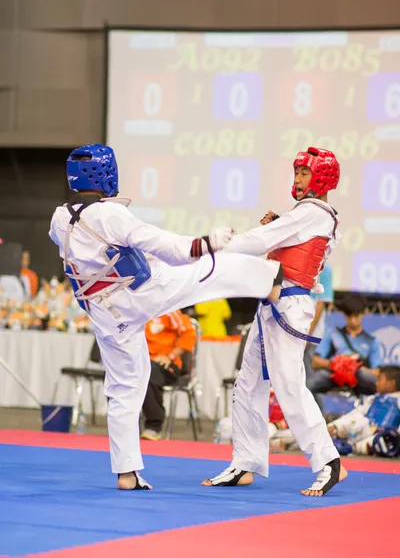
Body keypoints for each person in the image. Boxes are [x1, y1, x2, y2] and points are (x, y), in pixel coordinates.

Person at [49, 144, 282, 491]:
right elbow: (168, 246)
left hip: (103, 312)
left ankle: (126, 473)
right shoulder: (111, 215)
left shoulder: (59, 218)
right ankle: (274, 284)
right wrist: (207, 242)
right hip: (137, 294)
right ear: (107, 173)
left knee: (125, 387)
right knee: (207, 270)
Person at [202, 146, 347, 497]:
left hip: (290, 305)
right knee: (247, 382)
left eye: (304, 174)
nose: (297, 180)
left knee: (288, 385)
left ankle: (329, 462)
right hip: (271, 304)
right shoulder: (304, 215)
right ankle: (245, 462)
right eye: (296, 173)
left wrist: (218, 245)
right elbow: (280, 243)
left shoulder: (314, 212)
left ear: (322, 178)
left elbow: (262, 240)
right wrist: (276, 227)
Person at [309, 293, 381, 401]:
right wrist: (334, 364)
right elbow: (315, 362)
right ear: (343, 314)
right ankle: (315, 416)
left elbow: (377, 372)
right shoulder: (333, 334)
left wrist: (355, 367)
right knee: (308, 385)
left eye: (356, 315)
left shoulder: (371, 341)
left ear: (363, 313)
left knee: (380, 386)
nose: (353, 320)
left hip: (359, 376)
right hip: (334, 374)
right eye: (349, 316)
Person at [141, 310, 197, 440]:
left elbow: (189, 333)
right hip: (140, 362)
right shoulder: (135, 309)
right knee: (115, 374)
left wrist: (170, 356)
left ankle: (153, 426)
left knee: (149, 372)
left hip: (166, 364)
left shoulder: (169, 310)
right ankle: (123, 426)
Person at [328, 366, 400, 456]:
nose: (376, 383)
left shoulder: (398, 399)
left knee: (377, 442)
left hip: (382, 437)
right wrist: (336, 425)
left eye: (379, 379)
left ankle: (350, 447)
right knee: (356, 419)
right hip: (362, 430)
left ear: (390, 383)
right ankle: (331, 432)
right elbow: (355, 414)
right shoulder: (372, 399)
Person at [303, 263, 333, 385]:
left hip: (310, 337)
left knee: (309, 381)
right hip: (295, 331)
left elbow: (320, 306)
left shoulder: (325, 271)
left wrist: (305, 336)